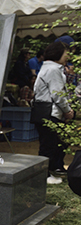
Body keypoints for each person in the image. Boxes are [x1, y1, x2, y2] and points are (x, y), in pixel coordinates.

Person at [34, 41, 74, 183]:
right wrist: (68, 110)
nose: (68, 56)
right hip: (50, 113)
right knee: (49, 146)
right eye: (66, 53)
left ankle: (53, 169)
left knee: (54, 143)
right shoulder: (53, 70)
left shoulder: (49, 68)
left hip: (45, 112)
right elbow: (58, 94)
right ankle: (43, 175)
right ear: (58, 54)